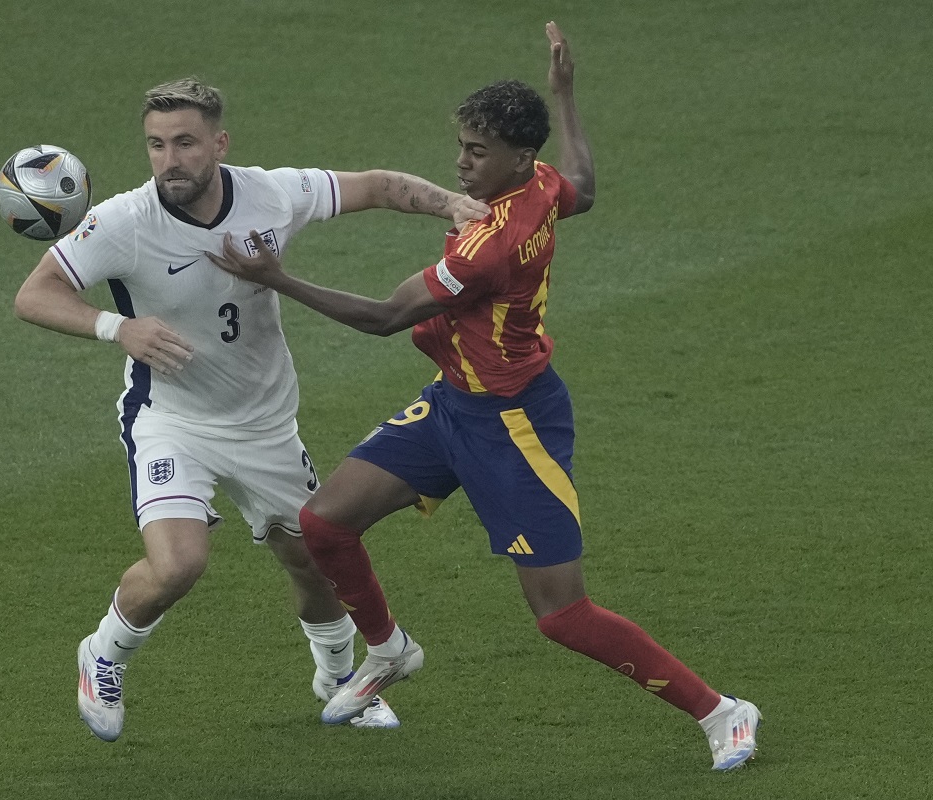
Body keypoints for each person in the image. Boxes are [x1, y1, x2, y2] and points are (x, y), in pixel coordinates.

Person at [208, 24, 762, 771]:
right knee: (324, 524)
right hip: (454, 405)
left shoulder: (486, 247)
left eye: (475, 151)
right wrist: (565, 95)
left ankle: (722, 712)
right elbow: (586, 190)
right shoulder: (539, 188)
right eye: (462, 145)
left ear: (517, 158)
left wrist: (276, 278)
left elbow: (382, 318)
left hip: (513, 426)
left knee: (562, 613)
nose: (460, 163)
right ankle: (387, 651)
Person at [13, 78, 489, 742]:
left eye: (183, 142)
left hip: (264, 424)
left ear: (219, 143)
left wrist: (454, 206)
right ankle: (104, 654)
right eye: (155, 145)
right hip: (172, 420)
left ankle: (335, 678)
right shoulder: (122, 222)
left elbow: (378, 185)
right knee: (180, 564)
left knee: (315, 562)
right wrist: (114, 328)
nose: (168, 159)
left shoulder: (271, 192)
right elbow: (35, 294)